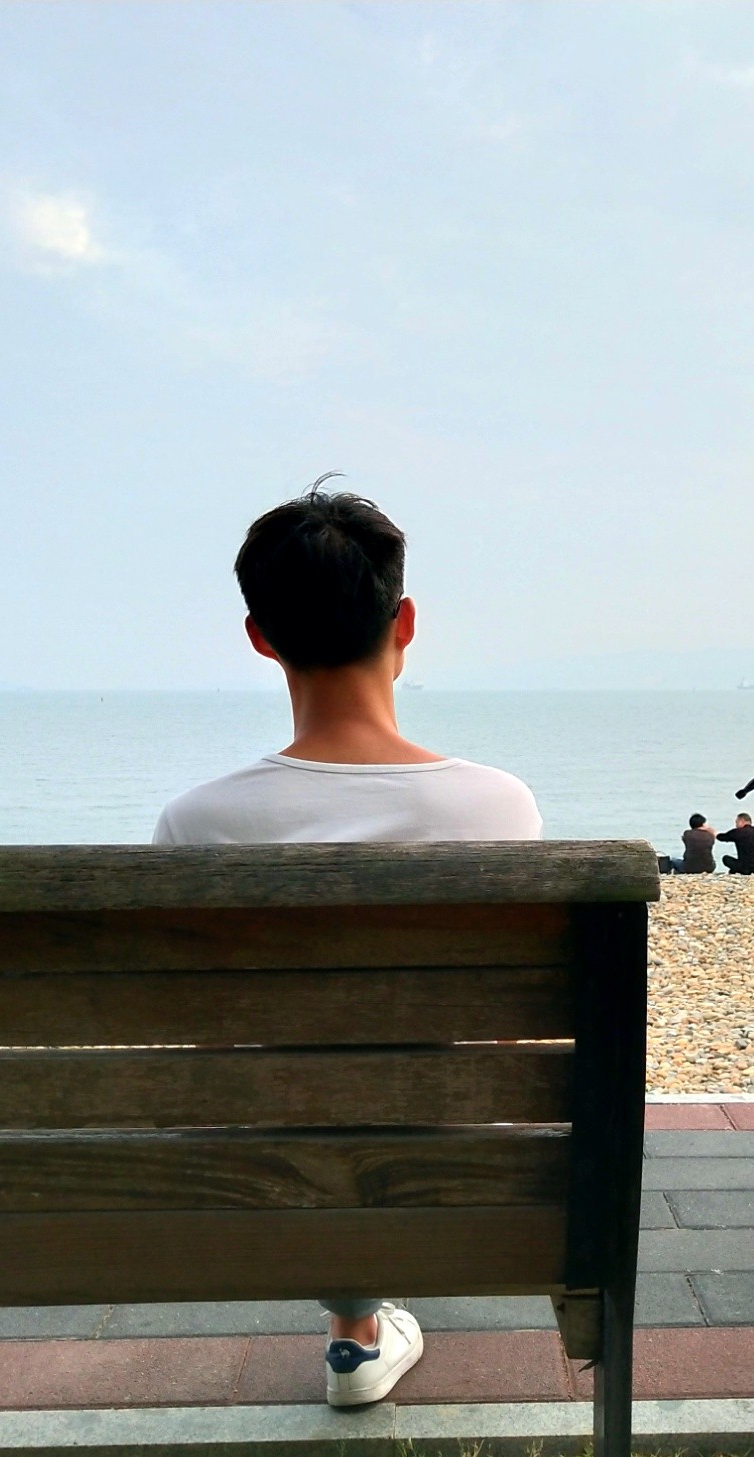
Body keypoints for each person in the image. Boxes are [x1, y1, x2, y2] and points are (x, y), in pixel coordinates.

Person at [153, 477, 542, 1408]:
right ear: (404, 623)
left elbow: (202, 1054)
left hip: (261, 1180)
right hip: (470, 1170)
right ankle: (361, 1328)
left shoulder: (198, 823)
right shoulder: (498, 806)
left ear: (260, 637)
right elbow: (507, 1036)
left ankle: (352, 1326)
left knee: (299, 1092)